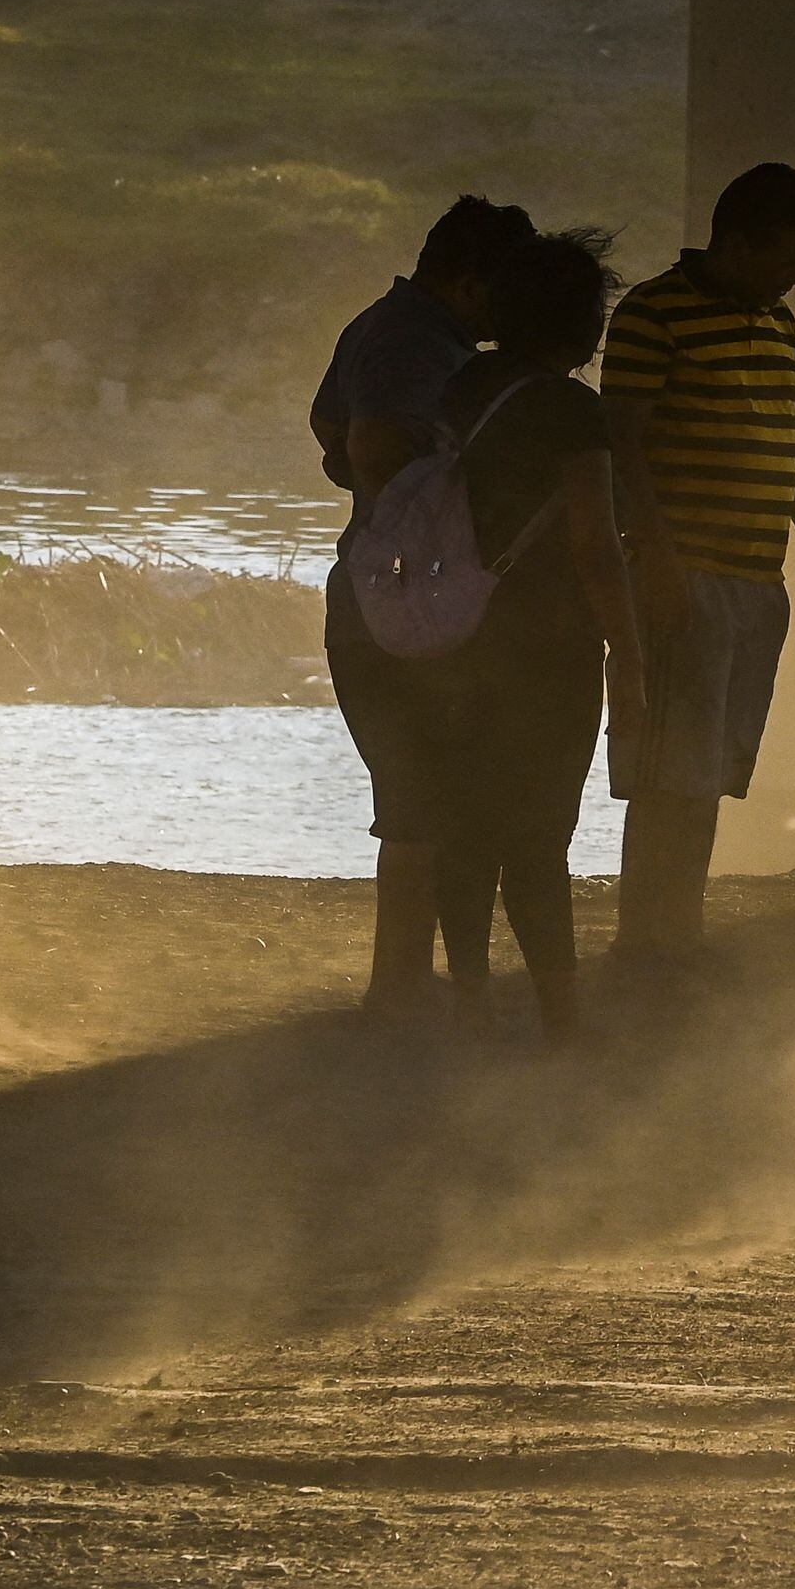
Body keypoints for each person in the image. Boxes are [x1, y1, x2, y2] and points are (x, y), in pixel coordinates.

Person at [600, 163, 795, 983]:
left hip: (753, 579)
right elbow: (622, 446)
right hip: (684, 575)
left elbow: (793, 436)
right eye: (788, 256)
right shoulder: (652, 314)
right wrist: (658, 559)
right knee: (668, 768)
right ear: (736, 241)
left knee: (706, 774)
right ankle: (644, 940)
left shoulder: (779, 322)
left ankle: (680, 935)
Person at [310, 193, 535, 1017]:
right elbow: (368, 440)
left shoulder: (380, 323)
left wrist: (355, 477)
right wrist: (428, 508)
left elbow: (327, 423)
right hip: (401, 598)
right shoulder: (415, 342)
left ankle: (402, 975)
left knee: (415, 789)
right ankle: (399, 980)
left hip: (374, 588)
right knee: (419, 791)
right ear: (472, 284)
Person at [422, 227, 648, 1038]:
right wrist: (628, 653)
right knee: (540, 834)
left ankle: (474, 1004)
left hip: (449, 636)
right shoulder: (571, 411)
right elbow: (595, 546)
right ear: (579, 323)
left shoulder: (460, 388)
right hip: (546, 648)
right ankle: (562, 1018)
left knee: (466, 828)